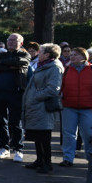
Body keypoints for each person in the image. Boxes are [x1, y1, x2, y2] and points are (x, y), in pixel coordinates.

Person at [22, 43, 63, 174]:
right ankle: (40, 160)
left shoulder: (54, 67)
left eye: (41, 52)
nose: (38, 54)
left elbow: (53, 89)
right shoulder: (43, 66)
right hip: (36, 107)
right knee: (37, 135)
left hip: (43, 107)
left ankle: (47, 163)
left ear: (47, 55)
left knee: (44, 136)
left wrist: (35, 96)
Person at [0, 33, 31, 162]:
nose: (11, 42)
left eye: (14, 40)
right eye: (9, 40)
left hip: (16, 92)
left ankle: (18, 149)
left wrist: (5, 65)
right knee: (1, 122)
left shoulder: (24, 54)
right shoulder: (1, 54)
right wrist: (10, 65)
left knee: (15, 122)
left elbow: (22, 62)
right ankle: (4, 148)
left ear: (21, 43)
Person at [61, 46, 92, 167]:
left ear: (84, 57)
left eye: (76, 55)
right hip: (69, 106)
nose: (72, 56)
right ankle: (68, 158)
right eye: (72, 54)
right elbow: (61, 87)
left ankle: (90, 157)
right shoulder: (67, 69)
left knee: (88, 135)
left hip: (88, 107)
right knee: (69, 134)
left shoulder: (91, 69)